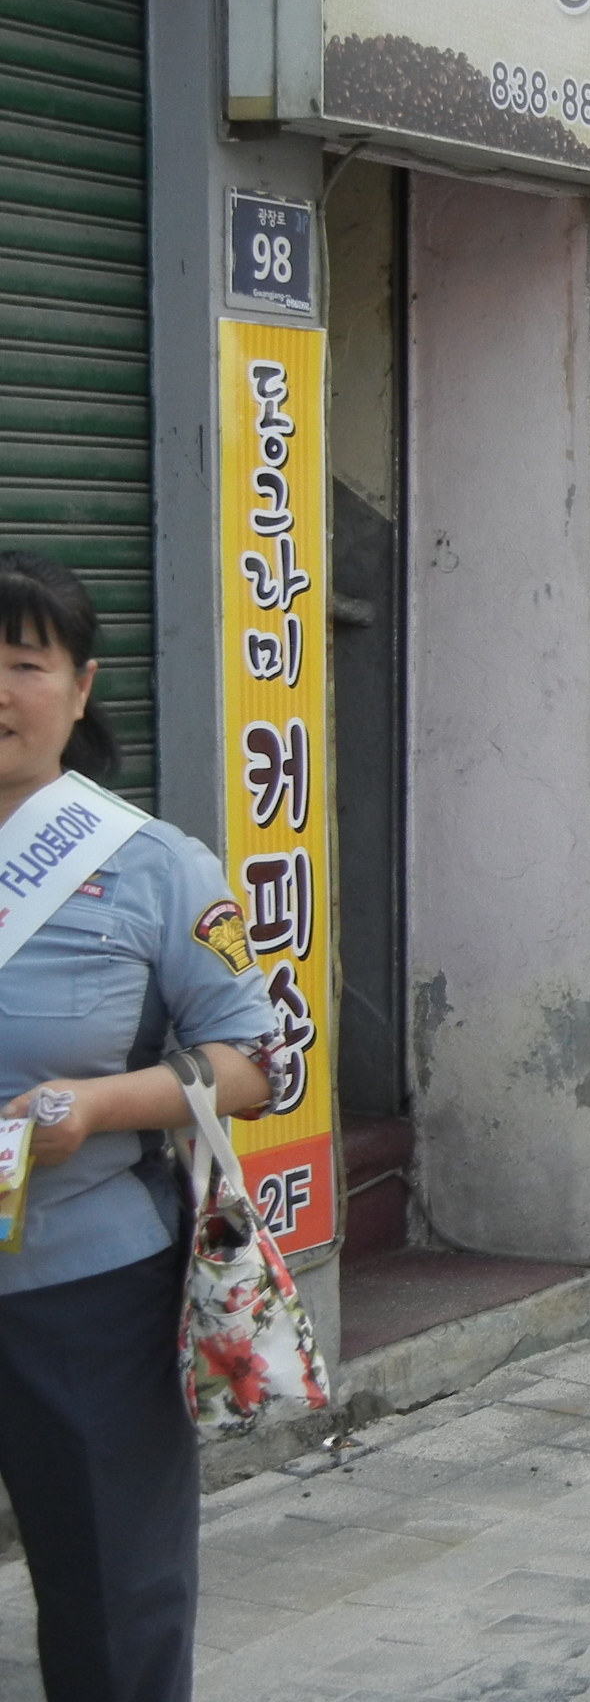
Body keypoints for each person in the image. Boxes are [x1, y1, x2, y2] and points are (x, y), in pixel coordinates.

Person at [0, 552, 292, 1702]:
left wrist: (97, 1107)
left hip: (86, 1292)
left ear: (80, 689)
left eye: (25, 662)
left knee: (113, 1599)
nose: (1, 689)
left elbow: (254, 1065)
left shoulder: (155, 869)